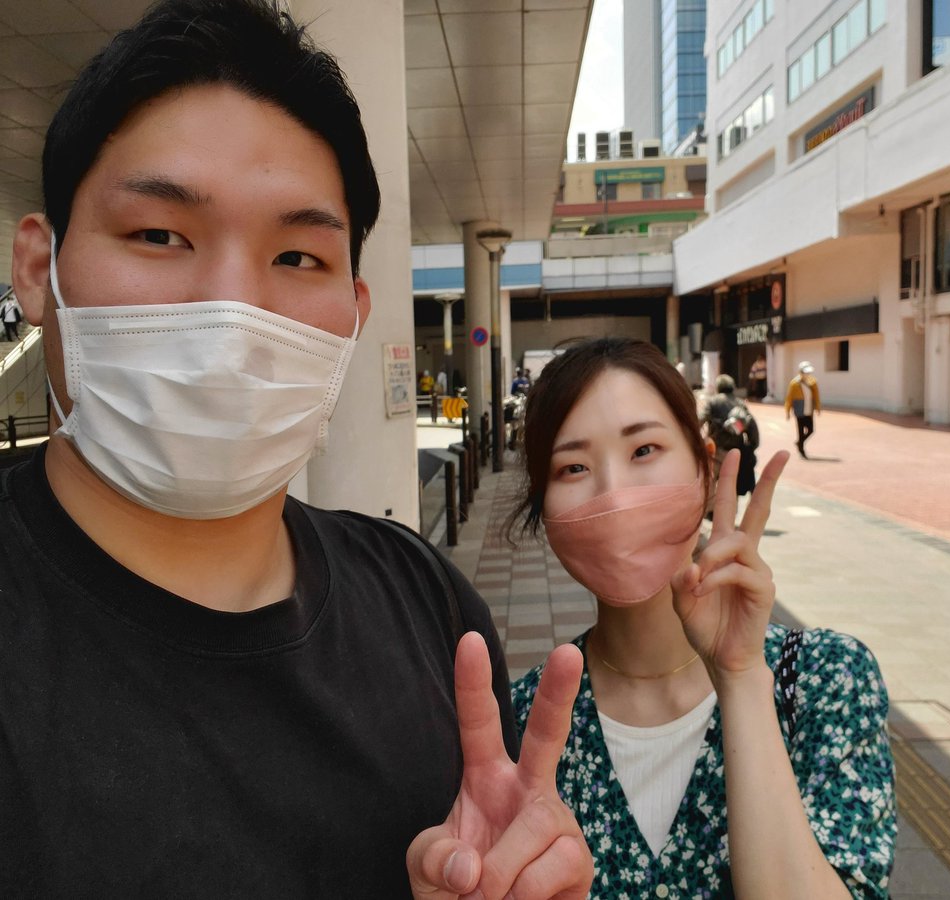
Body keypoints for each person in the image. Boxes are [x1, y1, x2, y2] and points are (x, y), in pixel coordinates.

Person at [1, 2, 592, 897]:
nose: (233, 311)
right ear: (38, 269)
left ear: (354, 314)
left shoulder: (423, 600)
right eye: (159, 235)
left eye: (297, 258)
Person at [508, 338, 896, 899]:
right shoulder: (524, 722)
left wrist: (740, 677)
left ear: (706, 468)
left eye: (644, 450)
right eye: (573, 467)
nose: (614, 494)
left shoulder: (826, 679)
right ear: (544, 509)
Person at [704, 373, 759, 496]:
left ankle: (711, 505)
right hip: (736, 451)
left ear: (718, 387)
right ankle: (731, 507)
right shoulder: (740, 403)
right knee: (732, 483)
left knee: (711, 481)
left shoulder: (713, 401)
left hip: (717, 449)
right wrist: (752, 446)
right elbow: (752, 426)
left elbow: (701, 418)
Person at [784, 361, 821, 459]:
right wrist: (787, 411)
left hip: (809, 409)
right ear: (800, 372)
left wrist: (818, 407)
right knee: (800, 431)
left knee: (811, 430)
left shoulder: (813, 382)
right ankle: (801, 449)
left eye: (808, 372)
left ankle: (799, 442)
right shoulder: (794, 383)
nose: (807, 374)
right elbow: (789, 398)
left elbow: (816, 396)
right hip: (799, 409)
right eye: (805, 372)